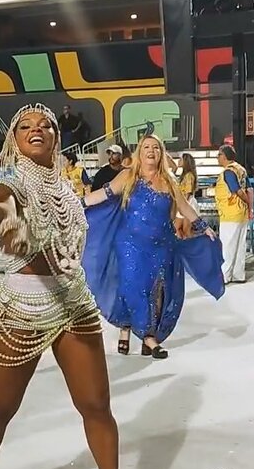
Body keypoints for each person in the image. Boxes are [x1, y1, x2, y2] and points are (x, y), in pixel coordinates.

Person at [0, 103, 130, 469]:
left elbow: (82, 214)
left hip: (73, 303)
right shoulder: (5, 186)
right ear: (14, 139)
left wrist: (121, 185)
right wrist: (15, 233)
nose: (36, 130)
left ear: (57, 136)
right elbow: (8, 223)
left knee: (96, 405)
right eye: (26, 126)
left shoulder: (65, 187)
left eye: (45, 125)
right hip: (25, 306)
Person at [83, 135, 224, 359]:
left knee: (156, 290)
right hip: (129, 243)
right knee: (133, 286)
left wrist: (203, 226)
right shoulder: (128, 176)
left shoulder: (169, 181)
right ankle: (147, 337)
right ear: (140, 152)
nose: (151, 151)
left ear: (161, 153)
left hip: (162, 245)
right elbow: (103, 194)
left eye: (156, 147)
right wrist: (77, 203)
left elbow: (184, 206)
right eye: (147, 147)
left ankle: (135, 329)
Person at [216, 145, 253, 285]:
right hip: (241, 213)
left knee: (227, 245)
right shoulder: (241, 169)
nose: (218, 157)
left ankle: (225, 276)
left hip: (230, 212)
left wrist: (246, 202)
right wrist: (250, 208)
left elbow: (238, 191)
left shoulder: (228, 172)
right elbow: (250, 189)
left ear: (225, 156)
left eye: (219, 155)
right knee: (239, 245)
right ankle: (238, 274)